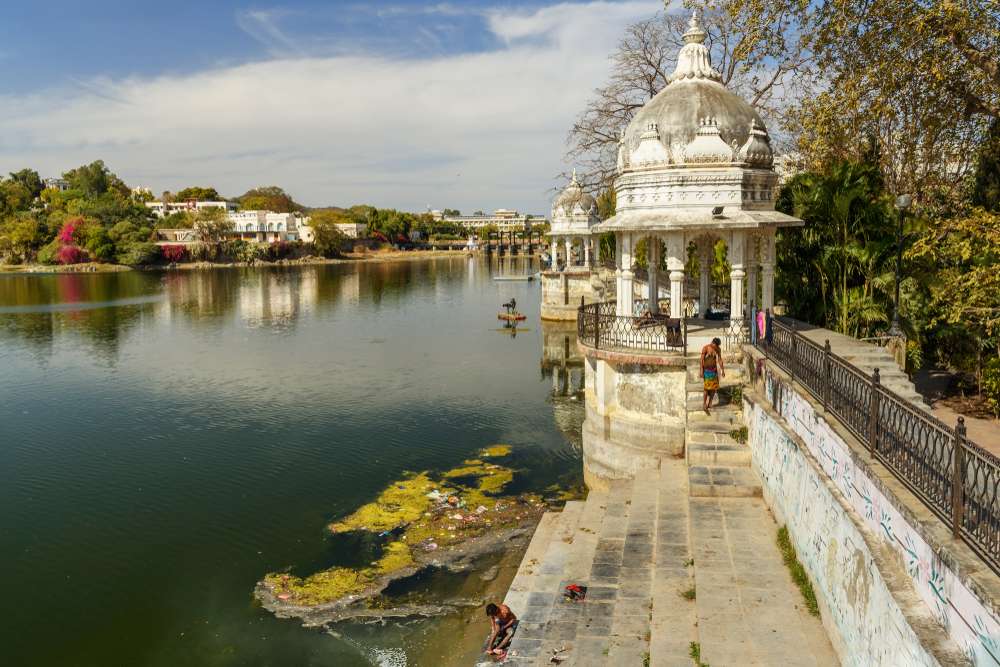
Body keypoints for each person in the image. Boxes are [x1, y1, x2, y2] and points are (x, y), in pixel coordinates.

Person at [700, 337, 725, 414]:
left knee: (714, 388)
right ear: (712, 343)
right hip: (707, 371)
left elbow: (720, 360)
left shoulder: (718, 349)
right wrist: (701, 370)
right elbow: (701, 360)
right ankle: (704, 404)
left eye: (716, 346)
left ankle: (710, 403)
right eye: (713, 345)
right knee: (706, 388)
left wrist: (722, 370)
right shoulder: (706, 348)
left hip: (714, 371)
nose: (714, 346)